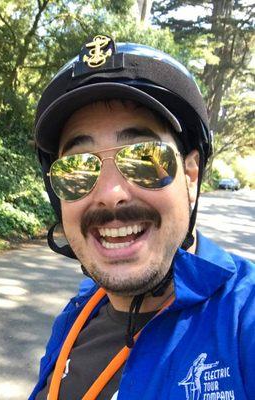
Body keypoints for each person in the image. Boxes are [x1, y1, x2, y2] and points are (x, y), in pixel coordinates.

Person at [30, 35, 254, 400]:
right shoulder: (78, 314)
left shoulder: (244, 319)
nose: (109, 194)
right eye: (77, 168)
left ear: (191, 175)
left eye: (144, 158)